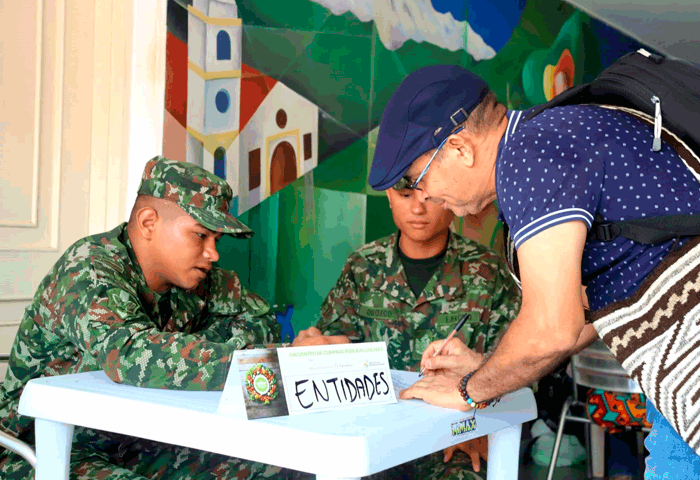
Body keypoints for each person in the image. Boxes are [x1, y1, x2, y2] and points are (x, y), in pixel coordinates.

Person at [368, 65, 700, 478]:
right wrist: (485, 367)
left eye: (418, 178)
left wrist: (467, 390)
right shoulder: (550, 138)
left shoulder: (529, 157)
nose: (425, 196)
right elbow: (581, 311)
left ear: (459, 149)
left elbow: (551, 329)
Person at [0, 156, 297, 479]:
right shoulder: (88, 269)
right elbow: (131, 355)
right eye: (200, 236)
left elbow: (261, 324)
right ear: (148, 223)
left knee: (284, 467)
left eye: (217, 240)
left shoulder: (198, 279)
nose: (213, 253)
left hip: (139, 438)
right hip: (44, 446)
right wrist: (268, 362)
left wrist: (291, 359)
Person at [295, 180, 521, 479]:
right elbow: (333, 350)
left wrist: (485, 424)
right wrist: (314, 351)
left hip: (455, 438)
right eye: (405, 195)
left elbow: (521, 368)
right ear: (389, 196)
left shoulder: (489, 272)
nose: (417, 208)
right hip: (371, 435)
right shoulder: (363, 266)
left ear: (452, 199)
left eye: (430, 196)